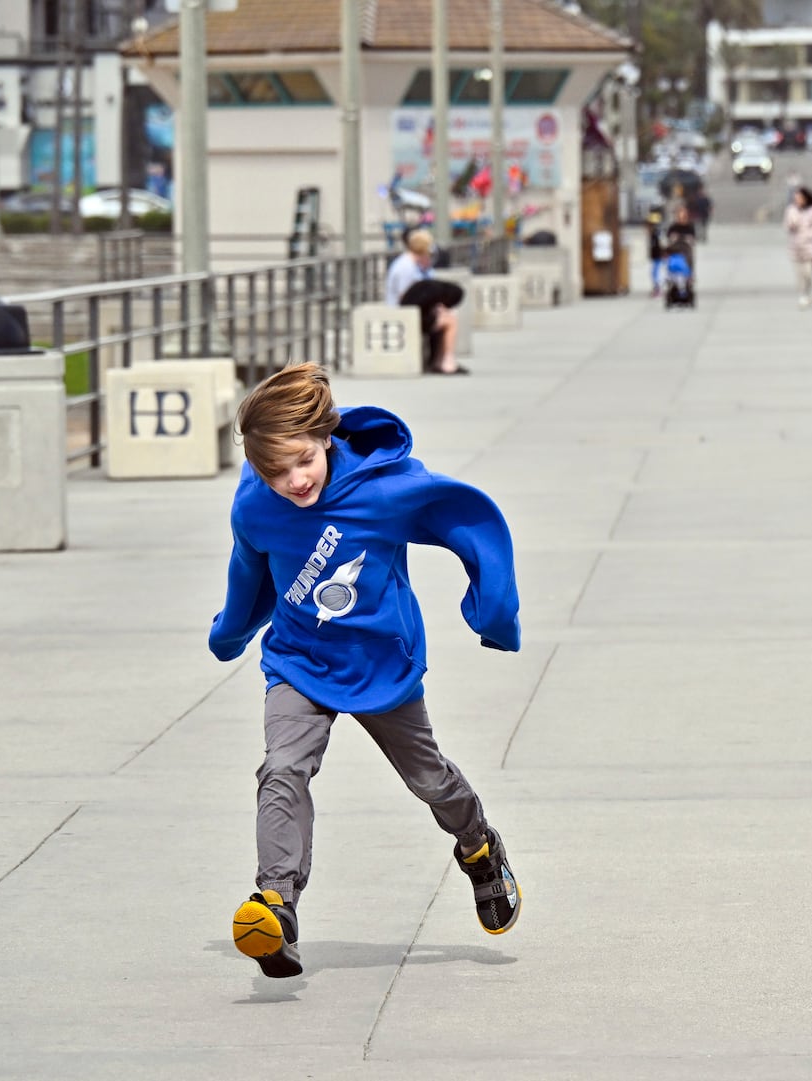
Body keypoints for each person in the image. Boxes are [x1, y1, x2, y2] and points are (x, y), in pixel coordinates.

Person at [211, 363, 523, 979]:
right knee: (281, 769)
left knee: (430, 781)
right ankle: (276, 907)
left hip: (382, 665)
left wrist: (493, 610)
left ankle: (479, 846)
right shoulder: (255, 505)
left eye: (302, 461)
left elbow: (466, 520)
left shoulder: (382, 489)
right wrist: (230, 630)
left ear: (325, 436)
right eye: (274, 472)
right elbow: (250, 572)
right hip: (298, 662)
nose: (293, 480)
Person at [384, 229, 465, 375]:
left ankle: (440, 360)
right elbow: (405, 299)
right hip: (403, 315)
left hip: (414, 311)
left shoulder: (418, 264)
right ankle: (446, 362)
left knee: (448, 314)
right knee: (450, 320)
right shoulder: (405, 267)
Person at [785, 186, 812, 309]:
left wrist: (808, 237)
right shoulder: (791, 210)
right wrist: (792, 224)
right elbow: (787, 225)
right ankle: (802, 295)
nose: (798, 200)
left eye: (800, 197)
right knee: (799, 274)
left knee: (808, 273)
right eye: (796, 198)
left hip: (808, 246)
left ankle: (808, 292)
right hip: (795, 246)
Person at [645, 208, 665, 297]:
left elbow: (661, 243)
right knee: (654, 272)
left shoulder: (657, 232)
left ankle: (658, 288)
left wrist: (663, 253)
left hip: (658, 255)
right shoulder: (655, 232)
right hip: (656, 255)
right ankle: (657, 288)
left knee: (656, 273)